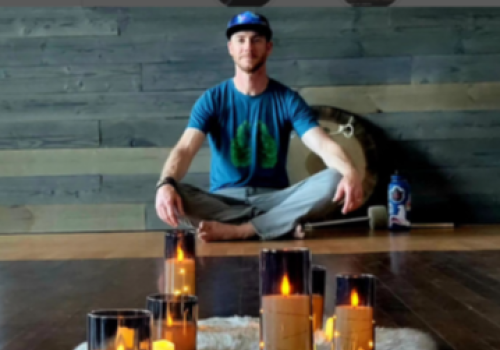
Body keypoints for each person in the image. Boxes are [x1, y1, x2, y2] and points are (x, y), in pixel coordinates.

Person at [155, 11, 364, 242]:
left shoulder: (287, 99)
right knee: (175, 192)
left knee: (335, 178)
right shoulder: (212, 99)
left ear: (268, 47)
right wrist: (166, 183)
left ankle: (242, 230)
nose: (248, 47)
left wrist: (350, 172)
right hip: (223, 201)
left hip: (276, 198)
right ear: (230, 48)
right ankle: (277, 225)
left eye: (256, 40)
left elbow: (322, 144)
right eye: (241, 40)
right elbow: (185, 149)